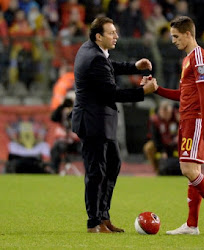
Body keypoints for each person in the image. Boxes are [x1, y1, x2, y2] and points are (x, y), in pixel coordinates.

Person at [71, 16, 158, 234]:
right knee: (96, 172)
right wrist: (142, 92)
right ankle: (94, 223)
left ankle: (103, 217)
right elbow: (112, 93)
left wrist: (134, 66)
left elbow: (110, 66)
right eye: (111, 33)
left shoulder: (90, 50)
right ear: (99, 36)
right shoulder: (95, 58)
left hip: (99, 121)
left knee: (111, 166)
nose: (116, 36)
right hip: (94, 122)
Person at [153, 16, 204, 235]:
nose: (173, 40)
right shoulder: (187, 59)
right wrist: (157, 89)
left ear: (188, 34)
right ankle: (192, 224)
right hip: (187, 118)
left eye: (176, 36)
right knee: (192, 170)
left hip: (195, 119)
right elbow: (184, 95)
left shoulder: (199, 57)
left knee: (187, 169)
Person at [143, 100, 179, 174]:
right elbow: (155, 138)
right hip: (162, 144)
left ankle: (188, 168)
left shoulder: (178, 117)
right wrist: (162, 151)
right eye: (164, 113)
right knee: (148, 147)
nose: (166, 115)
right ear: (160, 111)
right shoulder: (155, 120)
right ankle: (157, 170)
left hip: (176, 144)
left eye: (168, 113)